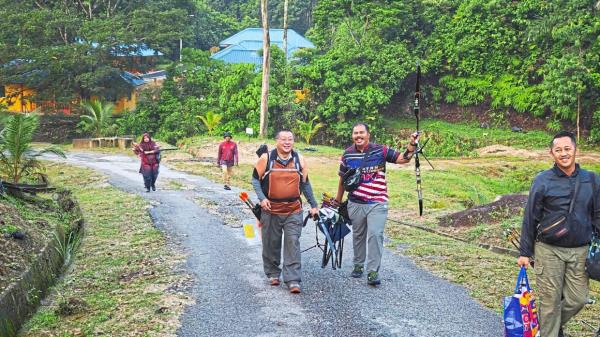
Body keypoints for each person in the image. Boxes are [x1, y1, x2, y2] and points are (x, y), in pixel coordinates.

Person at [518, 131, 600, 337]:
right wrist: (524, 252)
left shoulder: (591, 180)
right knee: (549, 301)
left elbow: (598, 214)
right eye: (558, 150)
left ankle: (548, 326)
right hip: (548, 250)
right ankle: (549, 331)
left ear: (575, 150)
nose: (563, 154)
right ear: (551, 153)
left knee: (578, 299)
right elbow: (530, 217)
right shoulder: (542, 180)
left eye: (567, 149)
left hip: (580, 251)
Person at [335, 122, 418, 286]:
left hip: (377, 202)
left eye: (361, 133)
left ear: (368, 134)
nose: (358, 136)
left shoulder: (381, 150)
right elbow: (342, 179)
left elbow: (403, 159)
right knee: (358, 235)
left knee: (375, 234)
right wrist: (338, 200)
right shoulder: (348, 154)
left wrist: (412, 145)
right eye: (355, 133)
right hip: (355, 202)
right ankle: (358, 265)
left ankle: (373, 272)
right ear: (352, 136)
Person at [252, 130, 319, 294]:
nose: (287, 142)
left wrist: (314, 204)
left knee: (292, 243)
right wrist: (262, 198)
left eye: (290, 139)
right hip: (271, 210)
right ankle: (273, 273)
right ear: (277, 141)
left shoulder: (299, 159)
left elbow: (305, 184)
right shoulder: (266, 158)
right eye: (283, 139)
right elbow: (255, 179)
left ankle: (293, 280)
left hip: (293, 210)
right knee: (270, 243)